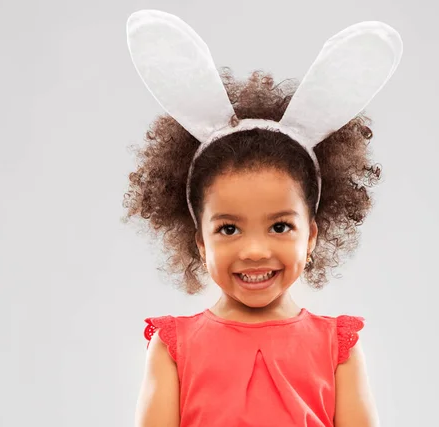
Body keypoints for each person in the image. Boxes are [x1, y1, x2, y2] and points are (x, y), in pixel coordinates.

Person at [123, 9, 403, 427]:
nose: (255, 250)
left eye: (280, 226)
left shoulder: (337, 347)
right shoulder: (172, 347)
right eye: (229, 228)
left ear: (311, 237)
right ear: (200, 240)